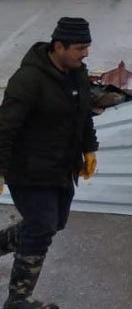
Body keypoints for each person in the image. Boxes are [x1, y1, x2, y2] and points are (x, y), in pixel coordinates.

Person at [0, 18, 99, 309]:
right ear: (59, 46)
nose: (85, 54)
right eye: (80, 48)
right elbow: (4, 127)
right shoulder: (28, 80)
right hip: (28, 168)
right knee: (41, 226)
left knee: (50, 224)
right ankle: (19, 299)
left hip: (61, 167)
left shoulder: (77, 74)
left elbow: (85, 113)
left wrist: (89, 148)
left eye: (88, 47)